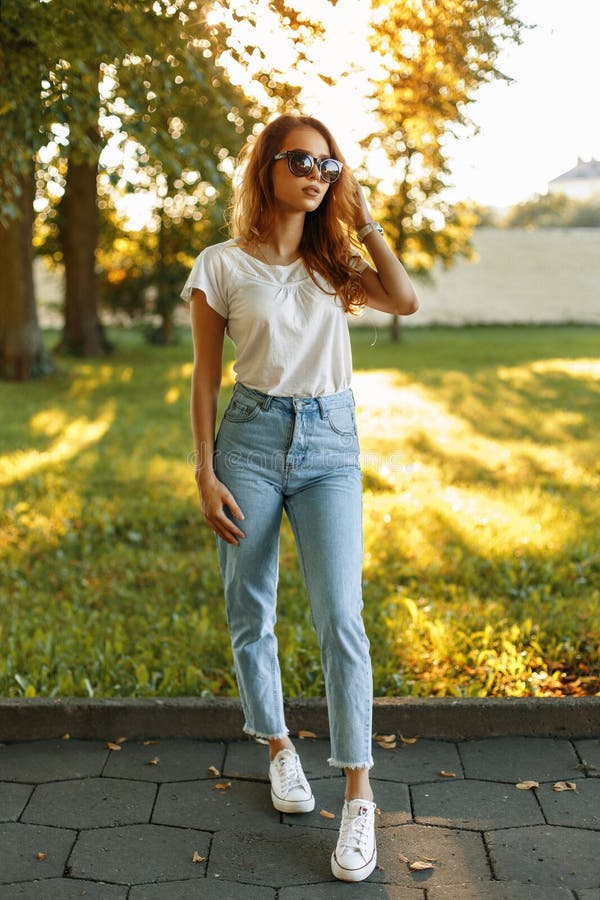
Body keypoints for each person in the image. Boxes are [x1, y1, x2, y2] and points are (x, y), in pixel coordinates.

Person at [181, 113, 418, 882]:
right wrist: (204, 470)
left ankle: (357, 795)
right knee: (250, 603)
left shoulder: (335, 262)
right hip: (247, 441)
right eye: (301, 160)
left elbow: (405, 299)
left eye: (329, 165)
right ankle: (280, 747)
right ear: (267, 168)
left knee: (340, 615)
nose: (317, 173)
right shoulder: (219, 266)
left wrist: (365, 215)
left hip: (329, 445)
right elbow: (205, 378)